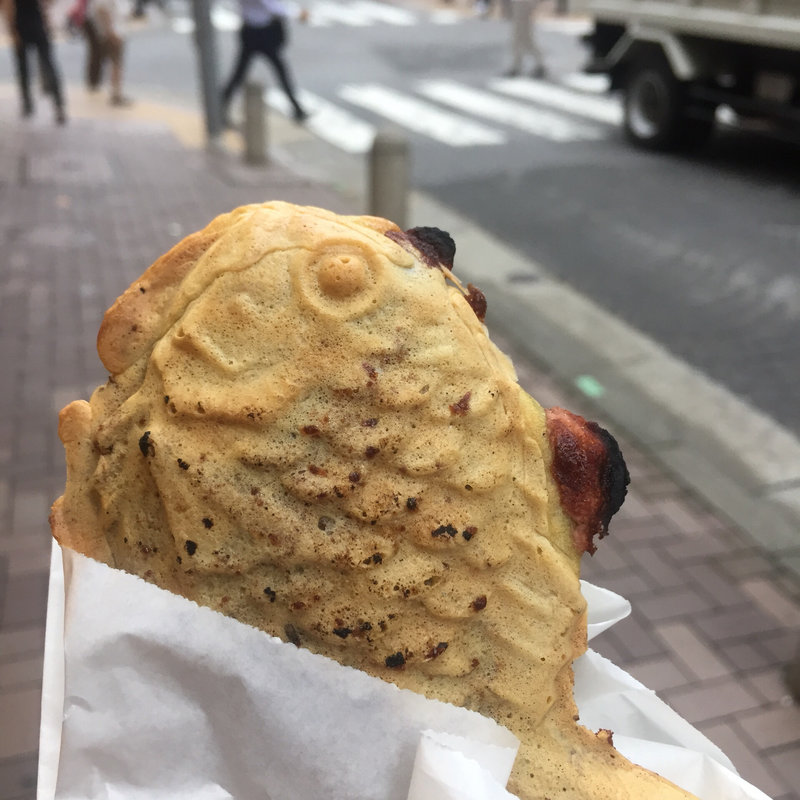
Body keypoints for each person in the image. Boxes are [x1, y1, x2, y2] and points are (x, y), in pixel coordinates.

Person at [221, 0, 308, 125]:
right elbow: (275, 8)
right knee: (280, 72)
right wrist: (298, 14)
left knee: (239, 74)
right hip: (264, 33)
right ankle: (297, 109)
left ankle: (220, 106)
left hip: (249, 30)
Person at [2, 0, 66, 123]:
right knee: (45, 65)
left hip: (23, 25)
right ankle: (57, 104)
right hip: (33, 25)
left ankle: (29, 104)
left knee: (26, 68)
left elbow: (8, 6)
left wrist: (12, 30)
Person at [85, 0, 131, 105]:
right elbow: (101, 9)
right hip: (113, 31)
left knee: (116, 62)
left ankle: (116, 92)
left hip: (117, 29)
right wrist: (110, 30)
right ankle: (116, 94)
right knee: (115, 62)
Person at [504, 0, 546, 79]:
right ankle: (518, 64)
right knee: (520, 36)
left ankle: (539, 64)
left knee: (522, 36)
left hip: (523, 3)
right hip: (522, 3)